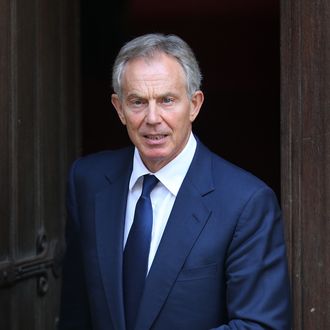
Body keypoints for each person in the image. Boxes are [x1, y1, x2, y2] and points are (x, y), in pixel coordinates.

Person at [59, 33, 291, 330]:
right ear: (119, 109)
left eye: (167, 100)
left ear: (194, 104)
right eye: (138, 102)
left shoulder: (246, 202)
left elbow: (259, 326)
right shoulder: (87, 181)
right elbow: (75, 314)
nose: (152, 117)